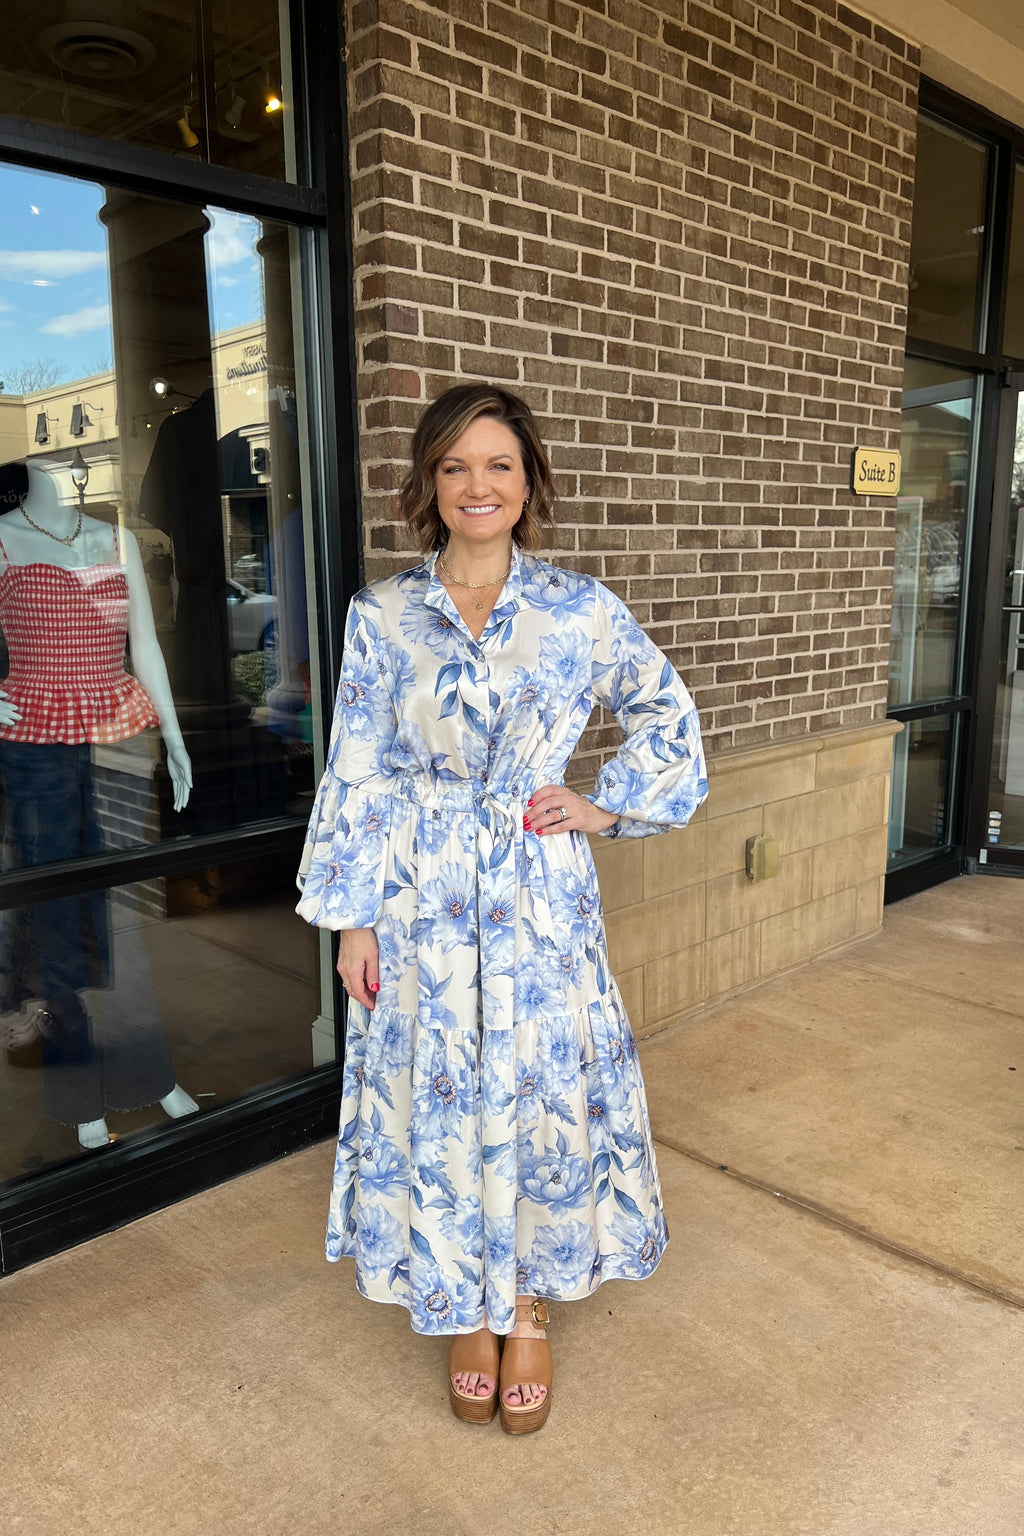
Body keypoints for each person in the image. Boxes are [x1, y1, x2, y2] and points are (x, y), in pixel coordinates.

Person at [296, 384, 708, 1434]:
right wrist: (354, 917)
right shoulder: (382, 615)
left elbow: (666, 711)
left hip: (538, 889)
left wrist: (604, 807)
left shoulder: (578, 607)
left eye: (499, 467)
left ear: (528, 484)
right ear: (429, 485)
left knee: (535, 1092)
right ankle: (463, 1304)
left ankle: (523, 1305)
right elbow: (356, 771)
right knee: (438, 1094)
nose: (478, 487)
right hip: (418, 892)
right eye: (454, 468)